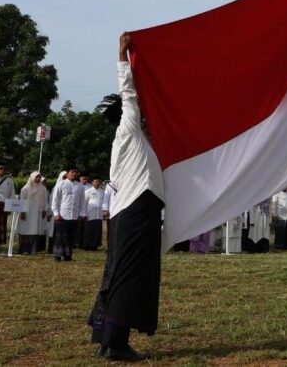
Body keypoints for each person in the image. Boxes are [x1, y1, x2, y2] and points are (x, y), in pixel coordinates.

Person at [88, 33, 167, 361]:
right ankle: (115, 344)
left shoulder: (139, 141)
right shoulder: (129, 131)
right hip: (135, 210)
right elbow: (129, 94)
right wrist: (122, 56)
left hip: (137, 211)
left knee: (123, 272)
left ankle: (109, 338)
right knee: (128, 275)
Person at [51, 167, 82, 261]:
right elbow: (55, 200)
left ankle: (68, 256)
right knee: (60, 237)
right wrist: (56, 213)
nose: (74, 174)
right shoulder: (61, 184)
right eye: (72, 172)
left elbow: (82, 201)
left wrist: (81, 214)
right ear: (67, 173)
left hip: (74, 215)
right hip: (62, 215)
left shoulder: (79, 186)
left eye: (76, 172)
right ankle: (57, 256)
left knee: (71, 237)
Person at [18, 171, 50, 255]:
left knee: (35, 230)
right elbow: (22, 201)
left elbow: (45, 200)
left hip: (37, 213)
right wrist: (22, 212)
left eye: (39, 177)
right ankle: (24, 249)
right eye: (36, 177)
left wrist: (44, 210)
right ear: (32, 177)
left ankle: (33, 250)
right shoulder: (25, 188)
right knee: (25, 230)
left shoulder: (43, 188)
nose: (38, 179)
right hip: (27, 212)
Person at [82, 179, 105, 250]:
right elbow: (84, 203)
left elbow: (104, 203)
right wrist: (84, 213)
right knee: (89, 230)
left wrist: (104, 213)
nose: (97, 183)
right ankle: (87, 245)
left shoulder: (102, 192)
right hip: (90, 213)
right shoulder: (88, 191)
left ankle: (95, 246)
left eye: (99, 181)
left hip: (99, 214)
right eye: (96, 181)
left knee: (97, 230)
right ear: (92, 182)